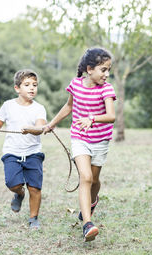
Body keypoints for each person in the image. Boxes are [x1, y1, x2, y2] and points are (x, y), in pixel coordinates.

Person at [43, 47, 116, 242]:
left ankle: (92, 201)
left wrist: (92, 118)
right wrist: (51, 124)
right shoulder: (75, 84)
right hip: (80, 138)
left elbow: (111, 116)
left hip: (100, 140)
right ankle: (87, 224)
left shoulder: (107, 89)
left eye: (109, 70)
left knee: (94, 180)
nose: (107, 74)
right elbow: (69, 106)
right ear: (89, 69)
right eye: (103, 70)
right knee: (85, 177)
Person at [0, 69, 47, 230]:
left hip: (33, 153)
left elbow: (40, 127)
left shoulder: (39, 108)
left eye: (34, 85)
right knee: (12, 183)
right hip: (12, 152)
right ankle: (19, 194)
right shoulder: (8, 105)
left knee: (35, 188)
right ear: (17, 88)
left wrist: (31, 128)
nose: (31, 88)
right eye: (27, 85)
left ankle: (33, 218)